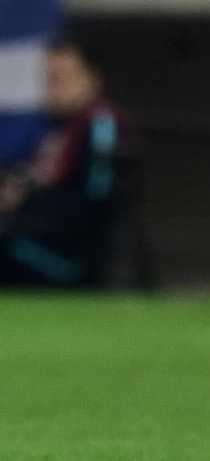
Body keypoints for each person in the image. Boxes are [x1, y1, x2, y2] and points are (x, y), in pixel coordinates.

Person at [0, 37, 136, 287]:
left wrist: (26, 202)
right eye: (48, 79)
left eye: (62, 78)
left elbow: (95, 202)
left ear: (92, 79)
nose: (53, 88)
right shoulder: (53, 129)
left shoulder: (100, 123)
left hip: (72, 261)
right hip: (35, 239)